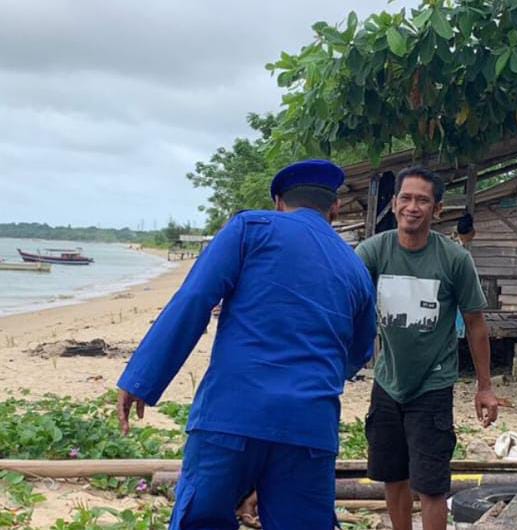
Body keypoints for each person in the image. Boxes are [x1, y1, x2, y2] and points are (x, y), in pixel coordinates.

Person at [116, 160, 377, 530]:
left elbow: (195, 300)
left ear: (277, 202)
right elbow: (359, 351)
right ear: (334, 208)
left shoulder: (251, 228)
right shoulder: (355, 268)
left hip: (232, 414)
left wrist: (141, 378)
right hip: (310, 425)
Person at [355, 165, 499, 530]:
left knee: (432, 485)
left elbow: (476, 323)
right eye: (406, 198)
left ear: (436, 209)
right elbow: (344, 300)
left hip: (433, 385)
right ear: (394, 203)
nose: (412, 207)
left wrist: (485, 387)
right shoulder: (374, 252)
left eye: (422, 200)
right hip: (387, 382)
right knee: (393, 475)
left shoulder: (454, 259)